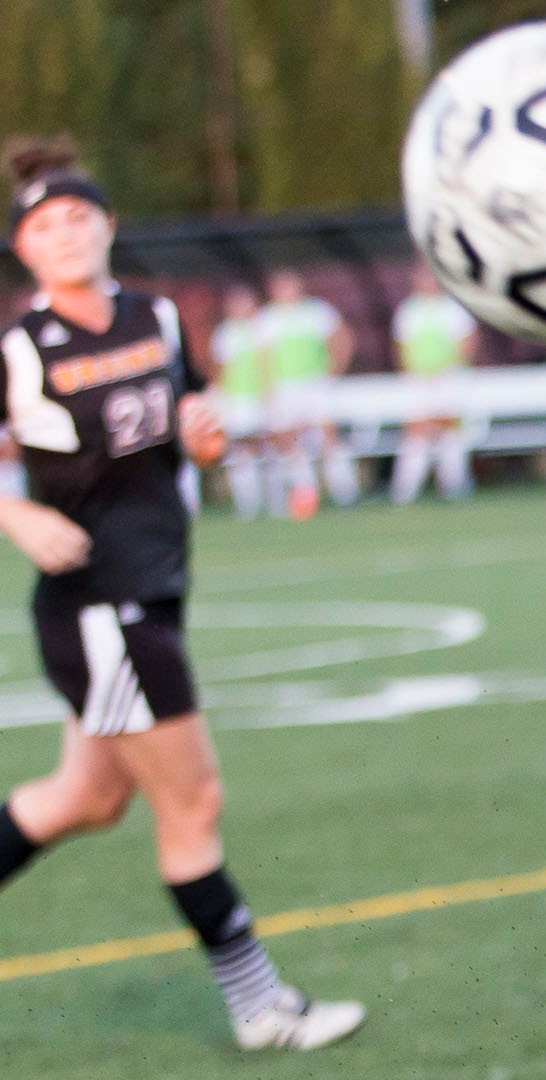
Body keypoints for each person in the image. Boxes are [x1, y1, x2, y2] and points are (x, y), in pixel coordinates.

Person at [0, 135, 364, 1050]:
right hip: (100, 607)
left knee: (84, 800)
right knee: (192, 805)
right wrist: (17, 514)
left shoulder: (155, 317)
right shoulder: (21, 346)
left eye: (80, 216)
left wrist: (205, 439)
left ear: (110, 226)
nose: (66, 233)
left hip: (153, 586)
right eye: (45, 225)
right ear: (24, 248)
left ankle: (261, 1007)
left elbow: (193, 428)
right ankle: (261, 1008)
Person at [257, 267, 357, 518]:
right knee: (289, 439)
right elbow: (264, 358)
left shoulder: (316, 311)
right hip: (285, 387)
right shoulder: (268, 318)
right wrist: (268, 389)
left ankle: (344, 491)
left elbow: (342, 338)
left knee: (327, 434)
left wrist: (334, 369)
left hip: (314, 383)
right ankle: (305, 492)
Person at [389, 262, 478, 504]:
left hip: (448, 378)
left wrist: (448, 369)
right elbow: (401, 347)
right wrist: (412, 373)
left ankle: (454, 485)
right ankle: (405, 490)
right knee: (417, 433)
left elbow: (467, 343)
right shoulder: (409, 311)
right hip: (419, 381)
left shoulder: (453, 309)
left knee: (450, 430)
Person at [209, 282, 273, 519]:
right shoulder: (225, 333)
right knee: (240, 450)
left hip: (260, 399)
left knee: (267, 447)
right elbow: (221, 370)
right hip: (237, 400)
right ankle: (248, 503)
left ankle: (275, 500)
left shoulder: (262, 327)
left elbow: (268, 363)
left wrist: (268, 392)